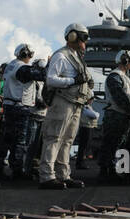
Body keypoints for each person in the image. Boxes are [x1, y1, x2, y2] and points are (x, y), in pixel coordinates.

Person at [37, 23, 94, 189]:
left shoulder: (77, 57)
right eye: (82, 37)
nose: (85, 41)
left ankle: (63, 174)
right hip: (62, 102)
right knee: (54, 138)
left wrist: (88, 93)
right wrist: (72, 81)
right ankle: (47, 176)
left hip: (76, 103)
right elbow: (51, 79)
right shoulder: (61, 56)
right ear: (72, 37)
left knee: (68, 140)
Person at [0, 44, 46, 180]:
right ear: (26, 54)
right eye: (30, 55)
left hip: (9, 105)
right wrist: (46, 66)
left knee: (6, 139)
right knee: (20, 141)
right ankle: (17, 171)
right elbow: (42, 75)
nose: (30, 58)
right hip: (20, 107)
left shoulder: (10, 66)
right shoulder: (22, 68)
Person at [99, 51, 130, 181]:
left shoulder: (125, 77)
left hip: (122, 115)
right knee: (110, 143)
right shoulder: (115, 76)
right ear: (126, 61)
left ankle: (113, 170)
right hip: (115, 115)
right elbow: (119, 96)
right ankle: (105, 171)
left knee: (118, 143)